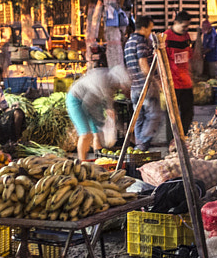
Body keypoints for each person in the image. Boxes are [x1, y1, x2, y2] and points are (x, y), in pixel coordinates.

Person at [67, 66, 130, 162]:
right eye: (122, 85)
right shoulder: (102, 81)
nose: (123, 88)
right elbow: (87, 104)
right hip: (77, 100)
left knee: (97, 133)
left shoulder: (111, 83)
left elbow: (108, 100)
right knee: (85, 134)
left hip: (92, 103)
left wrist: (109, 110)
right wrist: (100, 120)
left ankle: (99, 161)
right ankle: (81, 163)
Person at [123, 15, 166, 148]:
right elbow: (143, 63)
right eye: (150, 29)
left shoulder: (129, 41)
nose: (150, 33)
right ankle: (141, 145)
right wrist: (154, 80)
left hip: (134, 87)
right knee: (154, 116)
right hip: (145, 86)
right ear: (143, 28)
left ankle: (139, 147)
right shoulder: (141, 41)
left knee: (139, 118)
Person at [163, 11, 196, 135]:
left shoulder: (186, 36)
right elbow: (160, 61)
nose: (186, 29)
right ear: (176, 22)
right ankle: (172, 142)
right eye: (184, 26)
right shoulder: (166, 37)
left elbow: (189, 57)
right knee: (172, 116)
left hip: (186, 83)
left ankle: (183, 138)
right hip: (172, 83)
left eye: (187, 26)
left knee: (188, 113)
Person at [198, 15, 217, 83]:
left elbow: (210, 47)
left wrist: (202, 53)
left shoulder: (213, 35)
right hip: (208, 57)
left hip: (213, 58)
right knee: (208, 75)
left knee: (214, 74)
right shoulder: (206, 33)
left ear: (210, 28)